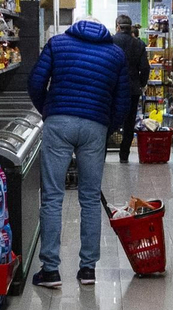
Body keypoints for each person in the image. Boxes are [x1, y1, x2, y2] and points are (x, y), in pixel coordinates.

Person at [27, 16, 132, 289]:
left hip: (58, 122)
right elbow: (123, 100)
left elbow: (36, 83)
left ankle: (50, 270)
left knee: (52, 197)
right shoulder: (115, 54)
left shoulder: (57, 44)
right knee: (89, 198)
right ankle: (88, 269)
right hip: (95, 126)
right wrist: (108, 127)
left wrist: (48, 111)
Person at [113, 16, 150, 162]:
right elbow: (145, 68)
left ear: (117, 26)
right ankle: (124, 156)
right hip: (132, 89)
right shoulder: (138, 44)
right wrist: (141, 83)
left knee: (109, 120)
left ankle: (101, 154)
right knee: (129, 123)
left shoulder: (111, 41)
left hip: (113, 88)